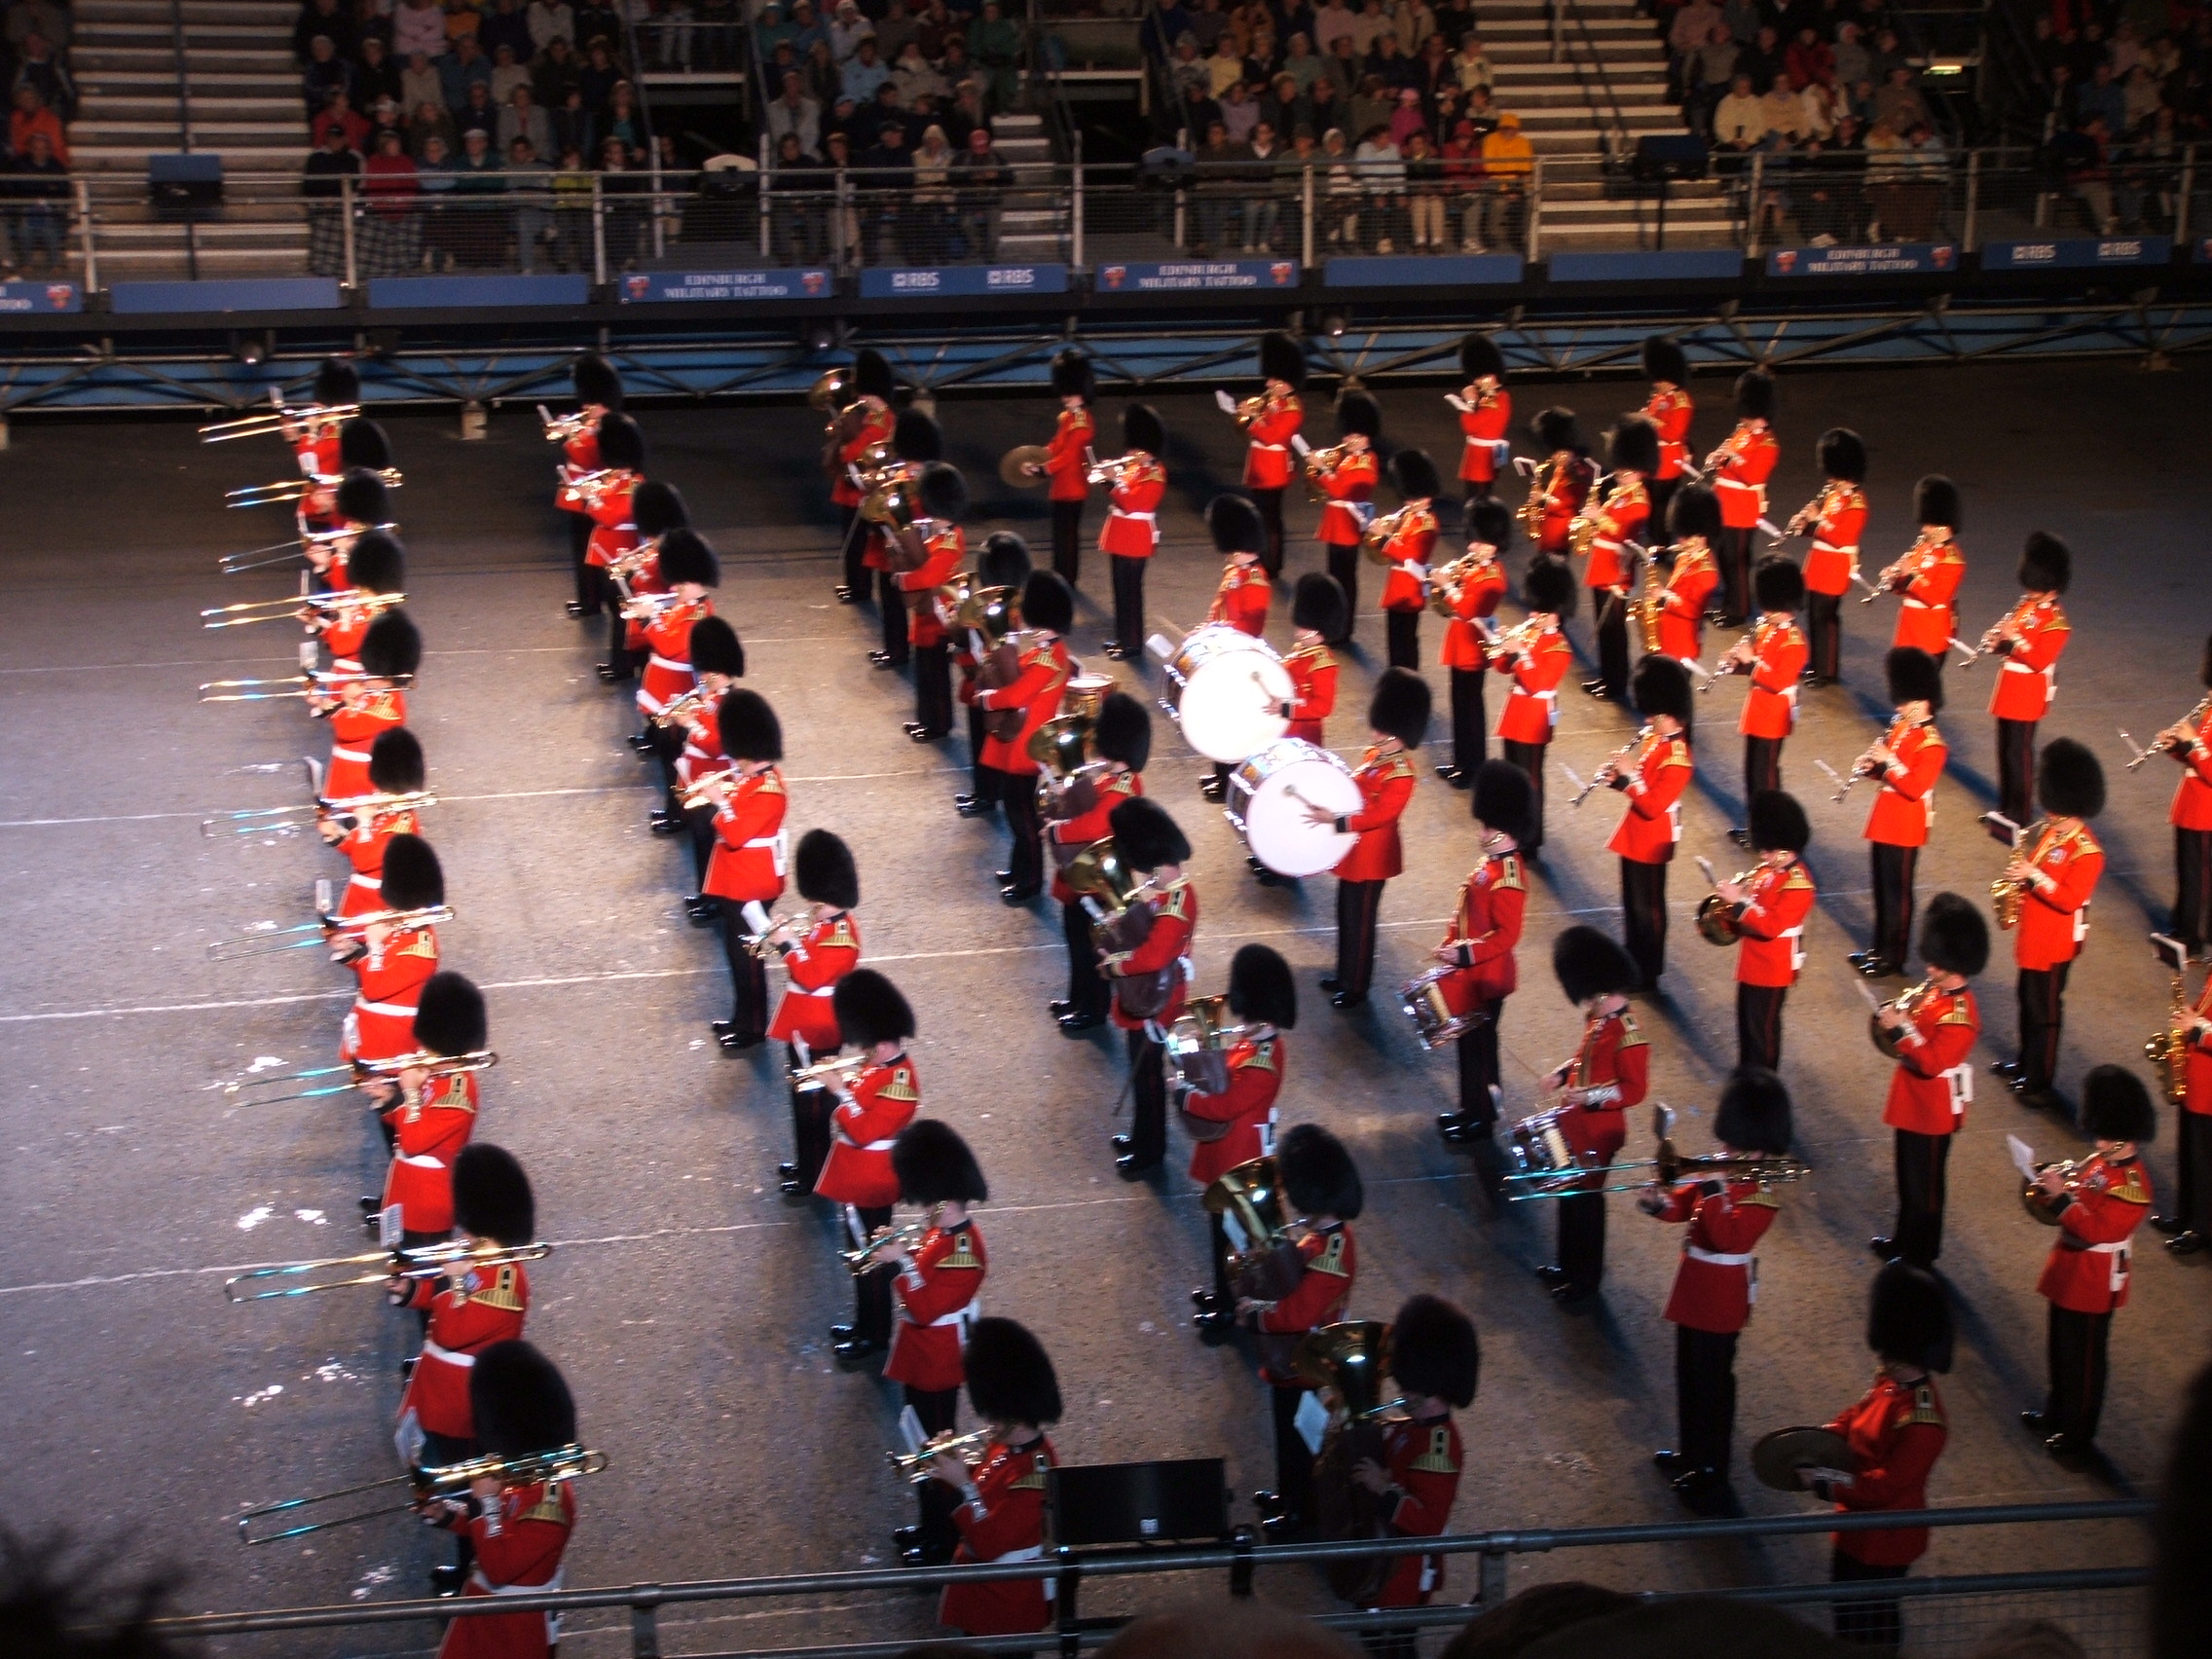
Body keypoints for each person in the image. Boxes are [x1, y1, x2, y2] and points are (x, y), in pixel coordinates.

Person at [1642, 1067, 1792, 1517]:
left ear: (1760, 1147)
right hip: (1694, 1290)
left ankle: (1712, 1471)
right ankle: (1691, 1456)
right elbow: (1685, 1208)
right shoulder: (1726, 1173)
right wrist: (1660, 1204)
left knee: (1712, 1389)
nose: (1726, 1152)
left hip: (1721, 1301)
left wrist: (1712, 1187)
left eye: (1736, 1146)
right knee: (1689, 1379)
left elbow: (1727, 1236)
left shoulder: (1762, 1193)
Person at [1805, 1263, 1953, 1648]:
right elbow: (1857, 1416)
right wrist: (1825, 1438)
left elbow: (1882, 1488)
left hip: (1883, 1541)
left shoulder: (1922, 1420)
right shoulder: (1891, 1383)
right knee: (1849, 1616)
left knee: (1870, 1626)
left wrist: (1824, 1480)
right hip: (1858, 1530)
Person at [872, 1119, 989, 1563]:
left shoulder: (964, 1250)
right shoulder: (940, 1233)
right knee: (922, 1442)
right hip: (923, 1353)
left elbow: (925, 1307)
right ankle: (928, 1526)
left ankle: (942, 1538)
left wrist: (901, 1262)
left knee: (937, 1449)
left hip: (940, 1360)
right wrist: (900, 1253)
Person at [2024, 1066, 2155, 1455]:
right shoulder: (2100, 1162)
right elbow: (2081, 1194)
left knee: (2084, 1361)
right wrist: (2057, 1185)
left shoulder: (2133, 1186)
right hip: (2070, 1268)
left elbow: (2097, 1230)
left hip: (2094, 1278)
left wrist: (2063, 1198)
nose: (2097, 1137)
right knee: (2060, 1348)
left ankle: (2078, 1434)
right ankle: (2056, 1413)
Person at [419, 1341, 577, 1652]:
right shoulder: (521, 1475)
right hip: (484, 1611)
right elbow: (495, 1532)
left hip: (515, 1628)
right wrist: (448, 1514)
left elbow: (498, 1566)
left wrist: (484, 1504)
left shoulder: (551, 1505)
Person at [391, 1142, 533, 1489]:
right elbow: (439, 1295)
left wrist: (454, 1279)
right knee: (433, 1471)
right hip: (436, 1386)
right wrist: (408, 1291)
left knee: (457, 1489)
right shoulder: (477, 1256)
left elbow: (453, 1332)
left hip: (462, 1402)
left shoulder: (506, 1281)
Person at [1246, 1123, 1362, 1540]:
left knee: (1302, 1443)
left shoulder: (1333, 1250)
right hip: (1296, 1359)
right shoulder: (1320, 1235)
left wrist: (1256, 1312)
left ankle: (1302, 1514)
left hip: (1308, 1360)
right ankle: (1287, 1496)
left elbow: (1298, 1312)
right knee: (1286, 1434)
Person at [1353, 1295, 1480, 1646]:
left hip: (1401, 1575)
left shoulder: (1438, 1446)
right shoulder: (1416, 1426)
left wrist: (1383, 1490)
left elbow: (1429, 1522)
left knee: (1391, 1646)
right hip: (1385, 1560)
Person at [1870, 891, 1986, 1270]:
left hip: (1933, 1109)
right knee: (1909, 1181)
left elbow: (1933, 1063)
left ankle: (1922, 1253)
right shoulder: (1936, 994)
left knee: (1927, 1188)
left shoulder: (1960, 1015)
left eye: (1937, 964)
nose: (1929, 969)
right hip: (1913, 1101)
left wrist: (1902, 1031)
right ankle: (1905, 1241)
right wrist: (1898, 1015)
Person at [1990, 740, 2106, 1118]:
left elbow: (2069, 899)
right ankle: (2025, 1066)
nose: (2048, 812)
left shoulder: (2087, 851)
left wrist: (2032, 876)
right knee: (2027, 1004)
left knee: (2046, 1014)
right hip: (2033, 934)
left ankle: (2042, 1082)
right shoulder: (2050, 835)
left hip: (2054, 942)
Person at [1187, 945, 1298, 1331]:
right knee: (1222, 1233)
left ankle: (1232, 1308)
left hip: (1240, 1156)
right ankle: (1223, 1294)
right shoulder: (1254, 1043)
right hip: (1227, 1150)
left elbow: (1226, 1105)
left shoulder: (1264, 1060)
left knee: (1233, 1241)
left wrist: (1188, 1096)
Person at [1536, 928, 1648, 1303]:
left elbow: (1634, 1090)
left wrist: (1591, 1096)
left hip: (1600, 1130)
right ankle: (1567, 1269)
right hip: (1577, 1120)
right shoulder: (1600, 1019)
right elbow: (1586, 1061)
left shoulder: (1629, 1033)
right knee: (1568, 1196)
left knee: (1586, 1206)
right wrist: (1562, 1073)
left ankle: (1585, 1284)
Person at [932, 1318, 1062, 1638]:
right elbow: (985, 1485)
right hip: (984, 1596)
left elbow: (990, 1543)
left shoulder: (1035, 1474)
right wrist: (951, 1466)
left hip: (1006, 1606)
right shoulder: (1005, 1445)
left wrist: (962, 1485)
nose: (987, 1420)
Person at [818, 970, 921, 1365]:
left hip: (873, 1177)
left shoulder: (900, 1082)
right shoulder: (879, 1066)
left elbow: (863, 1130)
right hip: (859, 1172)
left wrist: (839, 1090)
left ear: (882, 1043)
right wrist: (846, 1079)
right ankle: (863, 1326)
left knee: (871, 1259)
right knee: (860, 1253)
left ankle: (875, 1335)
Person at [1314, 669, 1428, 1012]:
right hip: (1355, 852)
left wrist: (1338, 820)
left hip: (1373, 857)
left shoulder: (1401, 774)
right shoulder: (1375, 756)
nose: (1376, 732)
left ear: (1400, 734)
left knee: (1361, 923)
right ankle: (1343, 974)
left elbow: (1382, 816)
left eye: (1384, 729)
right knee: (1346, 916)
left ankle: (1357, 986)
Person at [1434, 760, 1532, 1153]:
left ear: (1505, 831)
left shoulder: (1508, 876)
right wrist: (1450, 946)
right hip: (1470, 971)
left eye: (1488, 827)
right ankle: (1468, 1109)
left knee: (1481, 1051)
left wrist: (1465, 953)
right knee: (1467, 1044)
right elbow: (1467, 914)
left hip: (1488, 976)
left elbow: (1507, 935)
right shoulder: (1491, 865)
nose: (1482, 832)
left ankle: (1483, 1119)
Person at [1101, 796, 1197, 1175]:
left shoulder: (1176, 904)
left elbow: (1153, 957)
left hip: (1157, 1000)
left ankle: (1151, 1149)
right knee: (1142, 1073)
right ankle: (1142, 1138)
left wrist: (1113, 966)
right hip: (1152, 994)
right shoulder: (1168, 894)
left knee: (1148, 1078)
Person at [1048, 693, 1150, 1036]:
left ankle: (1092, 1009)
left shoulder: (1125, 785)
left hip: (1100, 879)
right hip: (1086, 872)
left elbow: (1095, 824)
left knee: (1091, 947)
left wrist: (1059, 829)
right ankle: (1078, 999)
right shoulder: (1112, 777)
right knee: (1075, 940)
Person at [767, 830, 862, 1198]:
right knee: (800, 1096)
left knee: (815, 1104)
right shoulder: (823, 925)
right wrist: (789, 939)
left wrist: (787, 942)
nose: (811, 905)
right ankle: (807, 1162)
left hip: (820, 1024)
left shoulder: (842, 936)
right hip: (803, 1021)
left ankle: (816, 1172)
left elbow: (809, 976)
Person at [1596, 655, 1695, 992]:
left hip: (1653, 836)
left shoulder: (1679, 757)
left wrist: (1628, 779)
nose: (1649, 718)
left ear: (1670, 714)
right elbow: (1641, 784)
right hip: (1637, 832)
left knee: (1648, 907)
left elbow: (1653, 804)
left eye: (1655, 714)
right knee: (1632, 902)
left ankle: (1648, 969)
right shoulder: (1656, 740)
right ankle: (1633, 956)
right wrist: (1618, 778)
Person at [975, 570, 1073, 904]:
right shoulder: (1044, 651)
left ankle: (1030, 880)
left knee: (1022, 816)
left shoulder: (1049, 657)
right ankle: (1018, 870)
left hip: (1028, 746)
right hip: (1021, 741)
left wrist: (987, 699)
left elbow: (1017, 695)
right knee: (1014, 811)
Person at [1851, 647, 1948, 980]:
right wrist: (1872, 768)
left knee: (1898, 892)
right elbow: (1890, 775)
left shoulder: (1932, 744)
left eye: (1904, 702)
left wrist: (1889, 762)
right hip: (1886, 816)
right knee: (1880, 888)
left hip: (1906, 823)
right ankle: (1878, 949)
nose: (1898, 707)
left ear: (1921, 702)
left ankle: (1895, 956)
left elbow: (1915, 787)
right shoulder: (1902, 729)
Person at [699, 688, 788, 1051]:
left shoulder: (769, 790)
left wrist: (721, 802)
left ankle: (752, 1027)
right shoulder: (752, 780)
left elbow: (735, 833)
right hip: (738, 876)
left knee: (747, 956)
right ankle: (740, 1018)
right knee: (736, 953)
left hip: (752, 880)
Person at [1718, 791, 1815, 1072]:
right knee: (1747, 1025)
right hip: (1753, 961)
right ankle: (1748, 1073)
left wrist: (1740, 904)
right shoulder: (1767, 871)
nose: (1763, 854)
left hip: (1773, 967)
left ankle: (1764, 1081)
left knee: (1763, 1032)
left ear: (1786, 848)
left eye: (1769, 849)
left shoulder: (1798, 884)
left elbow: (1772, 926)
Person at [1985, 534, 2075, 828]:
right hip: (2009, 686)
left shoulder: (2057, 622)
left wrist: (2014, 639)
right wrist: (1997, 641)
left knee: (2019, 755)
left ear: (2051, 588)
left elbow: (2039, 659)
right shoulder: (2026, 606)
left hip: (2028, 693)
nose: (2030, 591)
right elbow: (2012, 644)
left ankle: (2019, 813)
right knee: (2003, 749)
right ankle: (2004, 807)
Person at [1490, 557, 1575, 858]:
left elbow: (1538, 683)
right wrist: (1502, 646)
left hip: (1535, 717)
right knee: (1514, 777)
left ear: (1555, 614)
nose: (1533, 613)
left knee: (1531, 780)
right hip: (1516, 712)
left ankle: (1530, 837)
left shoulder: (1559, 647)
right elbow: (1502, 667)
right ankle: (1514, 829)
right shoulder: (1530, 634)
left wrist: (1521, 654)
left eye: (1540, 610)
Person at [1716, 556, 1809, 815]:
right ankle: (1756, 826)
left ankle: (1769, 829)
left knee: (1765, 778)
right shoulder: (1769, 630)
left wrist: (1751, 660)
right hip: (1758, 711)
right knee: (1752, 775)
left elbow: (1779, 680)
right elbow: (1754, 665)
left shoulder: (1794, 641)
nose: (1764, 611)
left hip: (1774, 715)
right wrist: (1734, 664)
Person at [952, 533, 1032, 824]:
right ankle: (983, 791)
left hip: (991, 682)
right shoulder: (998, 603)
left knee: (987, 740)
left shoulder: (1002, 609)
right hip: (984, 679)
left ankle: (987, 794)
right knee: (979, 739)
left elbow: (998, 651)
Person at [1433, 498, 1509, 787]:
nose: (1470, 548)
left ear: (1491, 545)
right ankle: (1460, 762)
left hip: (1473, 646)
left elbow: (1466, 609)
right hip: (1460, 642)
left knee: (1470, 709)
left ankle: (1473, 766)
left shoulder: (1493, 579)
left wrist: (1448, 584)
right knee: (1460, 706)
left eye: (1476, 543)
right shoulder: (1475, 567)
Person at [1579, 417, 1655, 704]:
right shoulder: (1619, 493)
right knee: (1605, 629)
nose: (1620, 472)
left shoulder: (1638, 500)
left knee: (1614, 632)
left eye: (1626, 468)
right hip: (1602, 565)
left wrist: (1600, 517)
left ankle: (1617, 682)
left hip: (1616, 570)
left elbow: (1625, 534)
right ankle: (1607, 677)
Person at [897, 463, 971, 745]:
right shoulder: (939, 534)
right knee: (924, 672)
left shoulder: (950, 541)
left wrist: (903, 581)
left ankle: (938, 724)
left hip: (940, 615)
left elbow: (929, 575)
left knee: (936, 676)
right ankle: (925, 718)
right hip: (928, 613)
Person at [1793, 426, 1868, 686]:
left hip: (1835, 566)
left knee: (1826, 618)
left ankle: (1828, 671)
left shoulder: (1856, 503)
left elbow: (1841, 537)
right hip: (1819, 564)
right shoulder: (1834, 495)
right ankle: (1817, 664)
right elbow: (1822, 531)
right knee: (1815, 617)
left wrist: (1816, 521)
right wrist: (1804, 525)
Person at [1704, 369, 1777, 626]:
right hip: (1725, 504)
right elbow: (1729, 464)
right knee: (1724, 555)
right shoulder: (1742, 434)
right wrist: (1717, 459)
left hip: (1743, 509)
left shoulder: (1767, 444)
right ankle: (1728, 604)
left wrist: (1730, 460)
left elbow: (1752, 476)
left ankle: (1740, 609)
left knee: (1737, 562)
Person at [321, 609, 420, 798]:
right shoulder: (375, 692)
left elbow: (348, 729)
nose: (364, 674)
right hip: (346, 775)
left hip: (362, 785)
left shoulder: (389, 707)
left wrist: (342, 703)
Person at [1098, 404, 1169, 663]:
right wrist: (1107, 479)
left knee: (1131, 593)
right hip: (1121, 535)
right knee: (1120, 591)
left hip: (1136, 538)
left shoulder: (1154, 475)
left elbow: (1133, 504)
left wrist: (1114, 480)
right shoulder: (1134, 469)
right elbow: (1118, 498)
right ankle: (1122, 638)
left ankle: (1133, 644)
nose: (1129, 452)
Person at [1874, 475, 1965, 676]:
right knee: (1905, 693)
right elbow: (1907, 586)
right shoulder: (1923, 548)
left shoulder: (1952, 559)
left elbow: (1935, 597)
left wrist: (1910, 575)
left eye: (1929, 524)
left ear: (1944, 525)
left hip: (1929, 635)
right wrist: (1893, 580)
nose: (1924, 528)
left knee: (1921, 698)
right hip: (1907, 630)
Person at [828, 347, 897, 606]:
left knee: (861, 543)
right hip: (851, 488)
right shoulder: (864, 414)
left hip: (866, 491)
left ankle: (862, 589)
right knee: (851, 540)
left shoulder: (882, 420)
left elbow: (857, 453)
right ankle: (855, 584)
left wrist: (843, 442)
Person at [1309, 388, 1381, 632]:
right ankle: (1335, 623)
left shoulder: (1365, 462)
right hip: (1336, 521)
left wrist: (1322, 470)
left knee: (1345, 580)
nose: (1348, 439)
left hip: (1348, 523)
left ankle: (1343, 627)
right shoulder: (1348, 457)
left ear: (1366, 437)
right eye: (1348, 434)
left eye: (1355, 435)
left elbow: (1342, 490)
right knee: (1335, 577)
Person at [2160, 636, 2212, 957]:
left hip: (2206, 809)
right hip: (2192, 804)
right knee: (2187, 872)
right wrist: (2178, 747)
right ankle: (2182, 927)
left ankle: (2193, 937)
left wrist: (2192, 744)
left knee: (2200, 877)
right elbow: (2199, 756)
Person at [1241, 331, 1306, 577]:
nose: (1267, 385)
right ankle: (1262, 557)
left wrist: (1253, 418)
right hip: (1260, 464)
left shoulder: (1293, 407)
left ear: (1285, 382)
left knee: (1271, 518)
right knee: (1261, 515)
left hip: (1274, 468)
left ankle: (1272, 563)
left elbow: (1272, 435)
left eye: (1273, 380)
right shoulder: (1272, 401)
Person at [1033, 349, 1095, 587]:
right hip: (1062, 485)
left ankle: (1067, 578)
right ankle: (1060, 574)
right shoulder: (1069, 418)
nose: (1064, 397)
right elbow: (1057, 445)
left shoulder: (1081, 422)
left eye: (1069, 393)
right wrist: (1039, 457)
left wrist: (1044, 469)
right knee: (1060, 536)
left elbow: (1069, 455)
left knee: (1067, 537)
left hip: (1072, 487)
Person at [1376, 450, 1440, 672]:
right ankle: (1397, 675)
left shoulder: (1428, 524)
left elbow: (1413, 555)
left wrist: (1386, 538)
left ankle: (1408, 678)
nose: (1409, 502)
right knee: (1395, 641)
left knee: (1405, 641)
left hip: (1410, 587)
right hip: (1397, 585)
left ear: (1427, 497)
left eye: (1414, 498)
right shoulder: (1409, 516)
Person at [1637, 335, 1693, 533]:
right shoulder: (1661, 397)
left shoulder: (1681, 401)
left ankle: (1660, 546)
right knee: (1650, 506)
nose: (1654, 383)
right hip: (1652, 460)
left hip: (1667, 463)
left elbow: (1673, 434)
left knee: (1661, 509)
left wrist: (1649, 421)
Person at [1524, 406, 1593, 565]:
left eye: (1559, 453)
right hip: (1549, 527)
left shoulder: (1579, 472)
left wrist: (1544, 497)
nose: (1554, 457)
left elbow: (1566, 504)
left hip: (1561, 529)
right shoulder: (1561, 469)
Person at [1454, 330, 1511, 507]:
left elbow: (1470, 425)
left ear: (1490, 376)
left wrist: (1470, 402)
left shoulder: (1497, 399)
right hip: (1477, 457)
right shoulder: (1489, 397)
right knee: (1472, 499)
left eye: (1479, 378)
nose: (1476, 382)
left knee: (1477, 502)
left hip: (1483, 460)